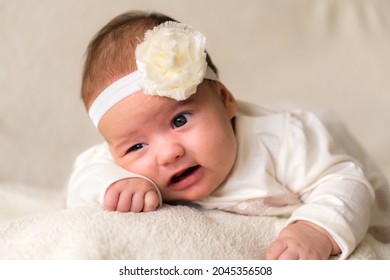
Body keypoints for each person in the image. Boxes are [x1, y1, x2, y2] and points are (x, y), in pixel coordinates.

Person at [66, 11, 390, 260]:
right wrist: (114, 185)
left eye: (179, 119)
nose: (167, 154)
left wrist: (317, 228)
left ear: (224, 100)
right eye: (137, 146)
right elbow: (86, 176)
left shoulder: (283, 140)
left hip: (326, 138)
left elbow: (346, 182)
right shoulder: (122, 165)